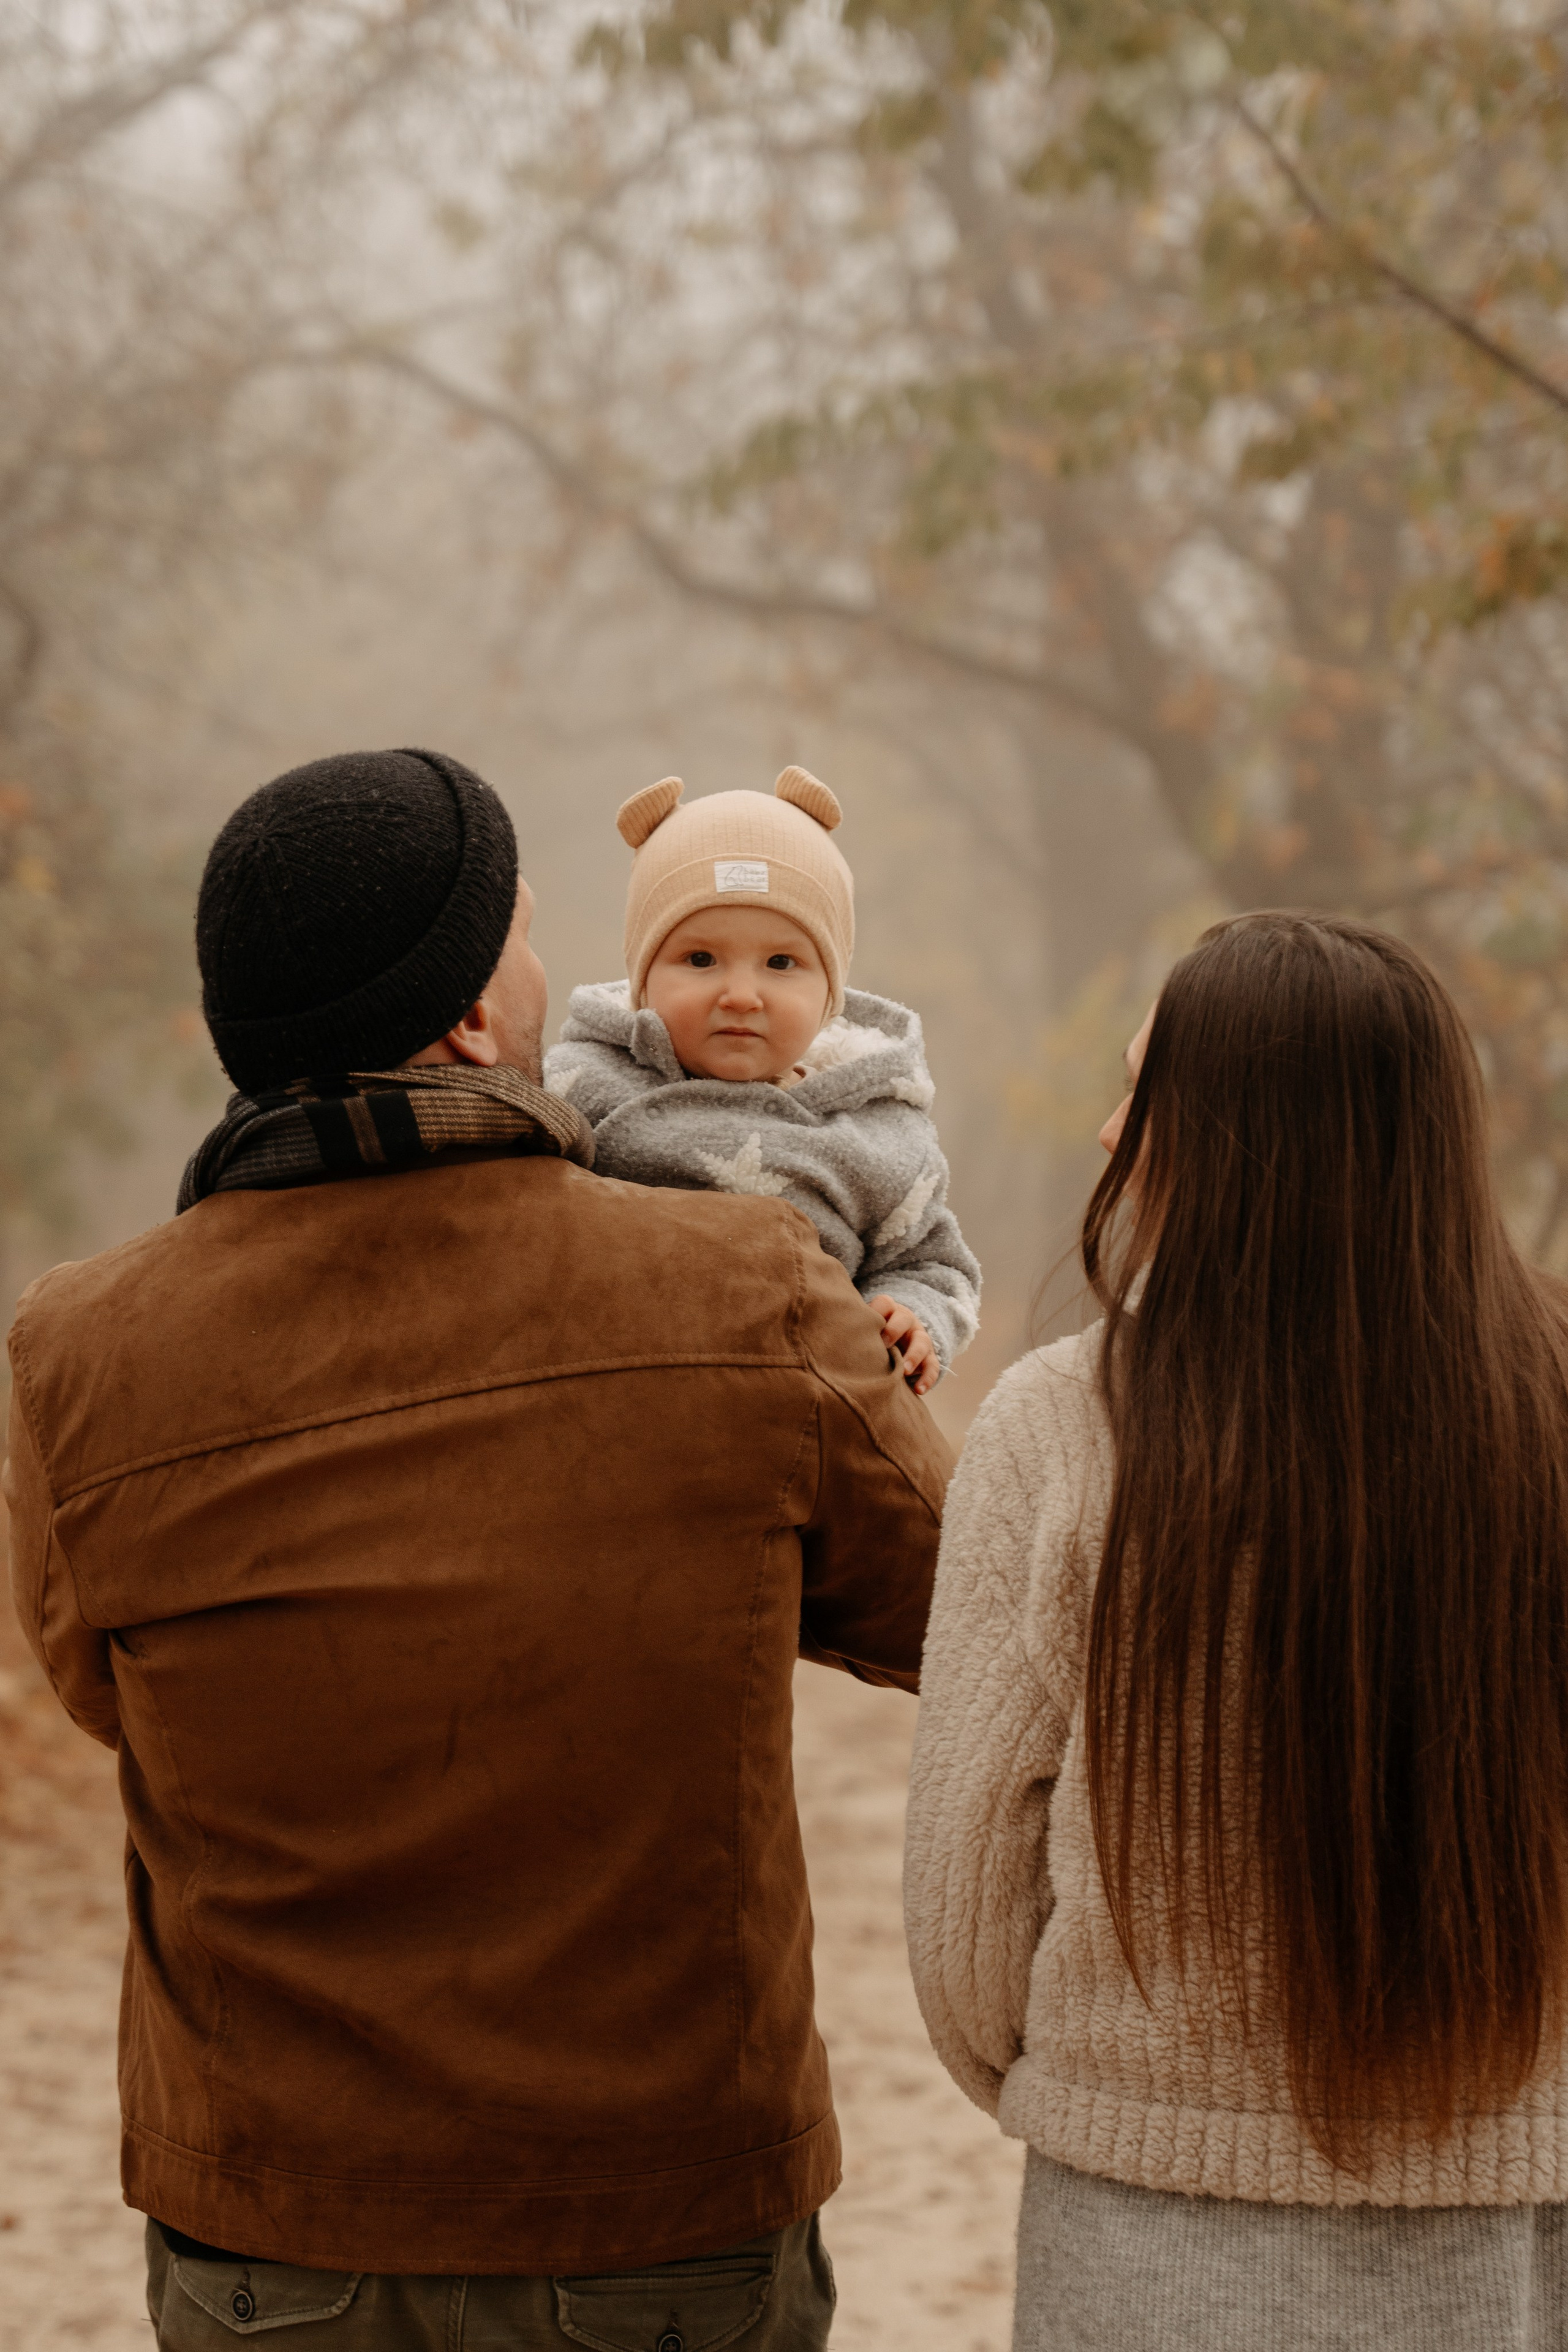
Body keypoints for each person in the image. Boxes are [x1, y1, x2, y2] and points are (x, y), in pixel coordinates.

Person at [5, 747, 954, 2351]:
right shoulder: (747, 1285)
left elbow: (108, 1694)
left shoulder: (82, 1348)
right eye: (518, 929)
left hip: (273, 2235)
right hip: (658, 2219)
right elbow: (956, 1609)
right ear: (464, 1012)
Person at [905, 911, 1568, 2352]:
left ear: (1238, 1135)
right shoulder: (1555, 1412)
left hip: (1147, 2229)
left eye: (1141, 1092)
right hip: (1511, 2230)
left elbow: (963, 1914)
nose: (1101, 1133)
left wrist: (1119, 2081)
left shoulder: (1059, 1426)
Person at [543, 767, 980, 1398]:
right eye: (700, 959)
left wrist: (913, 1317)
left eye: (781, 963)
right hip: (616, 1390)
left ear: (830, 992)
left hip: (802, 1406)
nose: (741, 995)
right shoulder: (584, 1083)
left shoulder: (876, 1125)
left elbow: (932, 1263)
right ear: (641, 977)